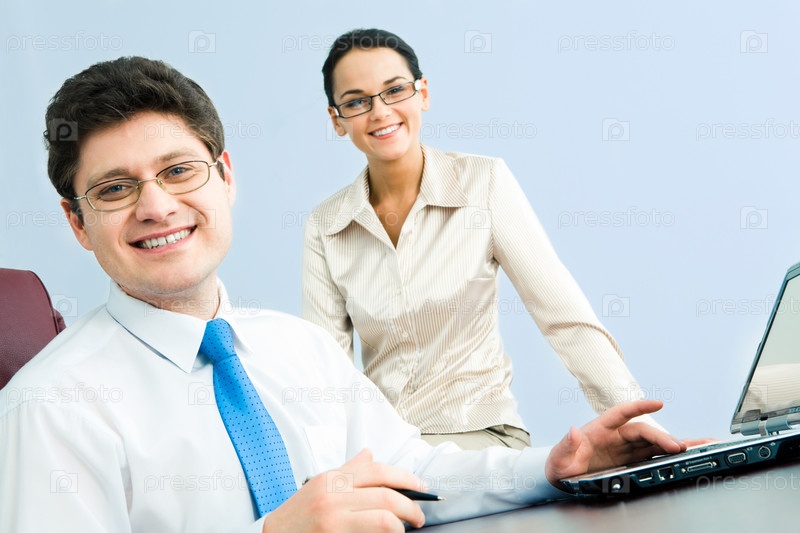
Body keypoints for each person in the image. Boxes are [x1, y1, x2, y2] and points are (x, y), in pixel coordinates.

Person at [0, 56, 687, 533]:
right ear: (77, 222)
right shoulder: (50, 406)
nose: (156, 206)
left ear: (225, 178)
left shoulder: (295, 347)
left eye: (179, 171)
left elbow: (410, 470)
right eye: (115, 188)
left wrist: (558, 465)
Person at [303, 28, 659, 450]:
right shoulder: (326, 225)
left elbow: (562, 315)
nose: (379, 111)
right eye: (356, 101)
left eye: (395, 90)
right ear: (337, 120)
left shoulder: (483, 183)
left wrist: (633, 418)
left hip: (482, 437)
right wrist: (330, 468)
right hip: (388, 453)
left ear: (422, 93)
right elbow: (325, 372)